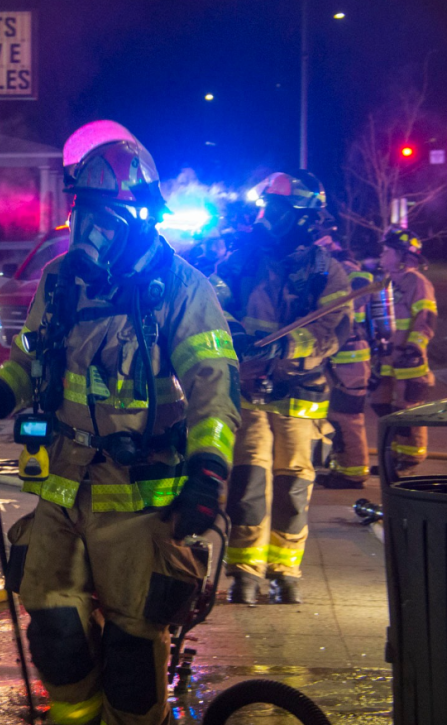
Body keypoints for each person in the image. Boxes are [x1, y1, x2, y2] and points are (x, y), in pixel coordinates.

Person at [0, 120, 240, 725]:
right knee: (55, 634)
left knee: (131, 655)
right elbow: (30, 358)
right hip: (63, 488)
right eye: (84, 209)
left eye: (104, 212)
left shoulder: (183, 291)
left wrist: (209, 472)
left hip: (141, 500)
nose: (90, 226)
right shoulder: (61, 282)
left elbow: (214, 389)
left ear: (140, 214)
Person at [215, 171, 351, 605]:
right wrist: (235, 336)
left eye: (275, 211)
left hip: (300, 393)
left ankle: (285, 570)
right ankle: (244, 572)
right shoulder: (240, 260)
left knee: (293, 485)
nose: (264, 218)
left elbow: (333, 331)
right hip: (249, 389)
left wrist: (290, 348)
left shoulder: (328, 273)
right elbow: (214, 301)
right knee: (248, 480)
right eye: (265, 208)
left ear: (304, 219)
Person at [369, 227, 437, 473]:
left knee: (407, 412)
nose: (382, 255)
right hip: (387, 359)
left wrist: (414, 347)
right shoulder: (386, 282)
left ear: (401, 255)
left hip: (409, 360)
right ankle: (393, 457)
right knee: (382, 406)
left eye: (387, 251)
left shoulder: (417, 282)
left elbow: (426, 318)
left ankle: (409, 460)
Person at [315, 233, 374, 489]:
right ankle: (342, 466)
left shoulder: (346, 267)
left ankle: (354, 473)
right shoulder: (326, 266)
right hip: (338, 354)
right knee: (337, 414)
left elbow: (361, 292)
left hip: (351, 354)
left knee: (348, 413)